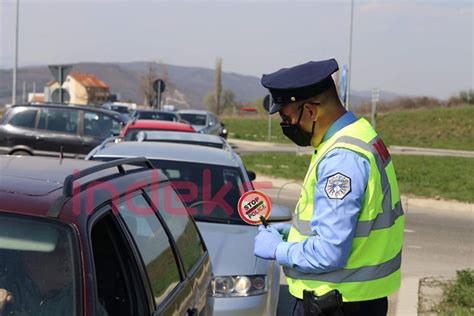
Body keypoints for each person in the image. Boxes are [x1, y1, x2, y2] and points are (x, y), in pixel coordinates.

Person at [253, 59, 404, 316]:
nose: (286, 126)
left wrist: (279, 250)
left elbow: (329, 252)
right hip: (355, 300)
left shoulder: (341, 159)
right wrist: (295, 233)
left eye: (288, 117)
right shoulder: (360, 133)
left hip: (335, 304)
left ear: (311, 112)